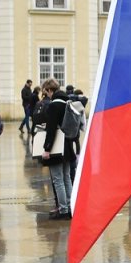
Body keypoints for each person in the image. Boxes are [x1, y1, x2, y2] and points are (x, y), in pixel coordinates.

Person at [40, 79, 73, 219]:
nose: (46, 95)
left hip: (57, 146)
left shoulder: (54, 105)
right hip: (68, 145)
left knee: (58, 180)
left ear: (49, 90)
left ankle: (64, 210)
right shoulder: (67, 102)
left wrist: (47, 148)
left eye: (46, 92)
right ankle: (71, 206)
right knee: (67, 178)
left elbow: (52, 130)